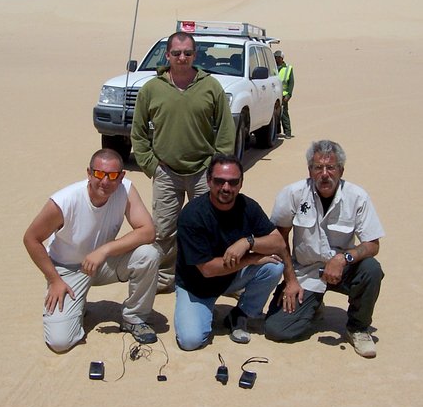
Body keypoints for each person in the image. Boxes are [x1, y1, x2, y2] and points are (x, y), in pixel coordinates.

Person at [23, 148, 160, 352]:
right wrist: (54, 280)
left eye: (112, 175)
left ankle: (134, 318)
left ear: (121, 177)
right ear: (89, 173)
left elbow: (148, 231)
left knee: (149, 254)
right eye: (98, 174)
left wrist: (104, 250)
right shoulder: (65, 201)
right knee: (60, 342)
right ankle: (76, 306)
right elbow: (31, 239)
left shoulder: (125, 190)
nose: (105, 181)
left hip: (102, 264)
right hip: (66, 270)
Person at [131, 31, 236, 293]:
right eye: (176, 53)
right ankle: (166, 277)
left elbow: (225, 128)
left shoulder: (210, 86)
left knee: (213, 225)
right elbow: (138, 131)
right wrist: (150, 164)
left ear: (194, 55)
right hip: (166, 171)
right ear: (167, 55)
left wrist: (218, 166)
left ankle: (221, 274)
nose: (182, 58)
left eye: (187, 53)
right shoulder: (152, 88)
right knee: (164, 229)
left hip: (204, 172)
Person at [264, 140, 385, 358]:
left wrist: (344, 258)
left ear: (341, 170)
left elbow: (372, 244)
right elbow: (279, 240)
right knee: (276, 329)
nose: (325, 174)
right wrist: (290, 280)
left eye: (331, 167)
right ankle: (313, 305)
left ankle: (357, 327)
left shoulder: (357, 197)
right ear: (309, 170)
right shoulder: (293, 193)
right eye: (318, 167)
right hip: (305, 271)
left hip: (343, 270)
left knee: (371, 269)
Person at [174, 154, 286, 350]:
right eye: (220, 181)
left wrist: (247, 242)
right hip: (197, 286)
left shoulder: (247, 207)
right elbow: (208, 270)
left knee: (274, 265)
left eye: (233, 182)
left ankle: (241, 314)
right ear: (209, 181)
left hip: (231, 276)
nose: (226, 188)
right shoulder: (192, 215)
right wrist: (250, 259)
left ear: (241, 184)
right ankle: (204, 311)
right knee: (190, 341)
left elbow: (278, 242)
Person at [274, 50, 295, 139]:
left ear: (282, 58)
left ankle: (288, 132)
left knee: (284, 114)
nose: (276, 59)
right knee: (274, 114)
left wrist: (288, 95)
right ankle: (276, 131)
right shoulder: (272, 66)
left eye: (278, 57)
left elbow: (291, 83)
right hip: (273, 94)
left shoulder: (288, 68)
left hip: (283, 95)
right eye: (275, 57)